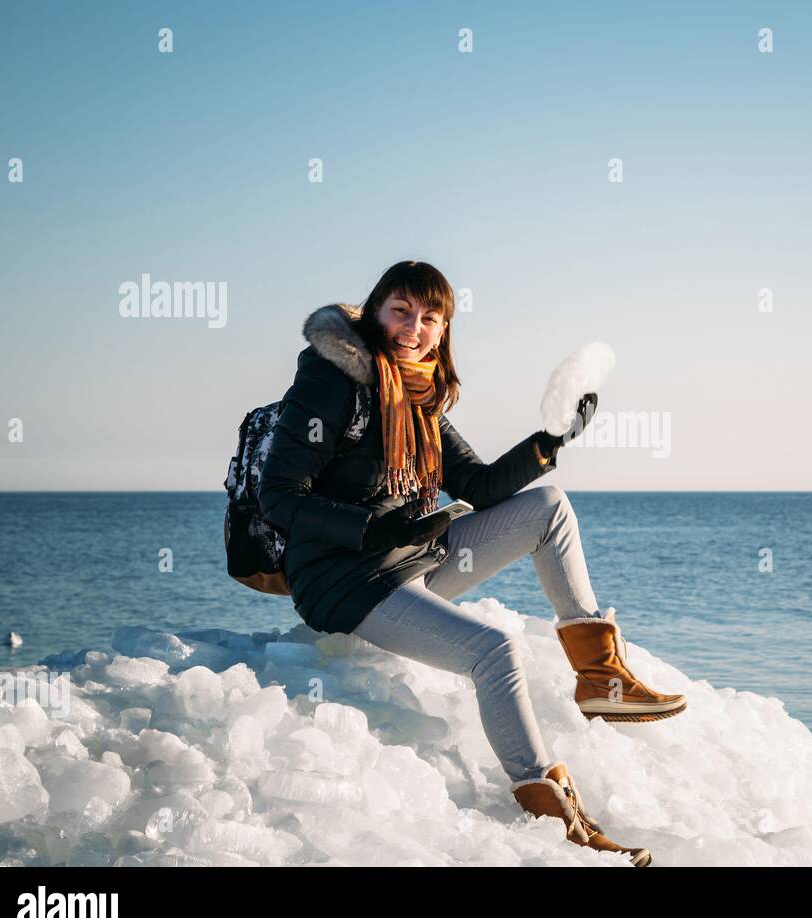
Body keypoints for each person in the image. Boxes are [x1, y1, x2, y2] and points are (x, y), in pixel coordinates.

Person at [256, 260, 685, 866]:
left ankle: (599, 676)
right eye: (402, 311)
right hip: (343, 579)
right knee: (495, 649)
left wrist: (552, 441)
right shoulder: (330, 383)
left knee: (547, 507)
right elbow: (280, 495)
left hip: (412, 556)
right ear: (376, 311)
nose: (415, 328)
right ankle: (557, 816)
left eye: (431, 318)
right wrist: (373, 525)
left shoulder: (422, 394)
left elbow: (479, 485)